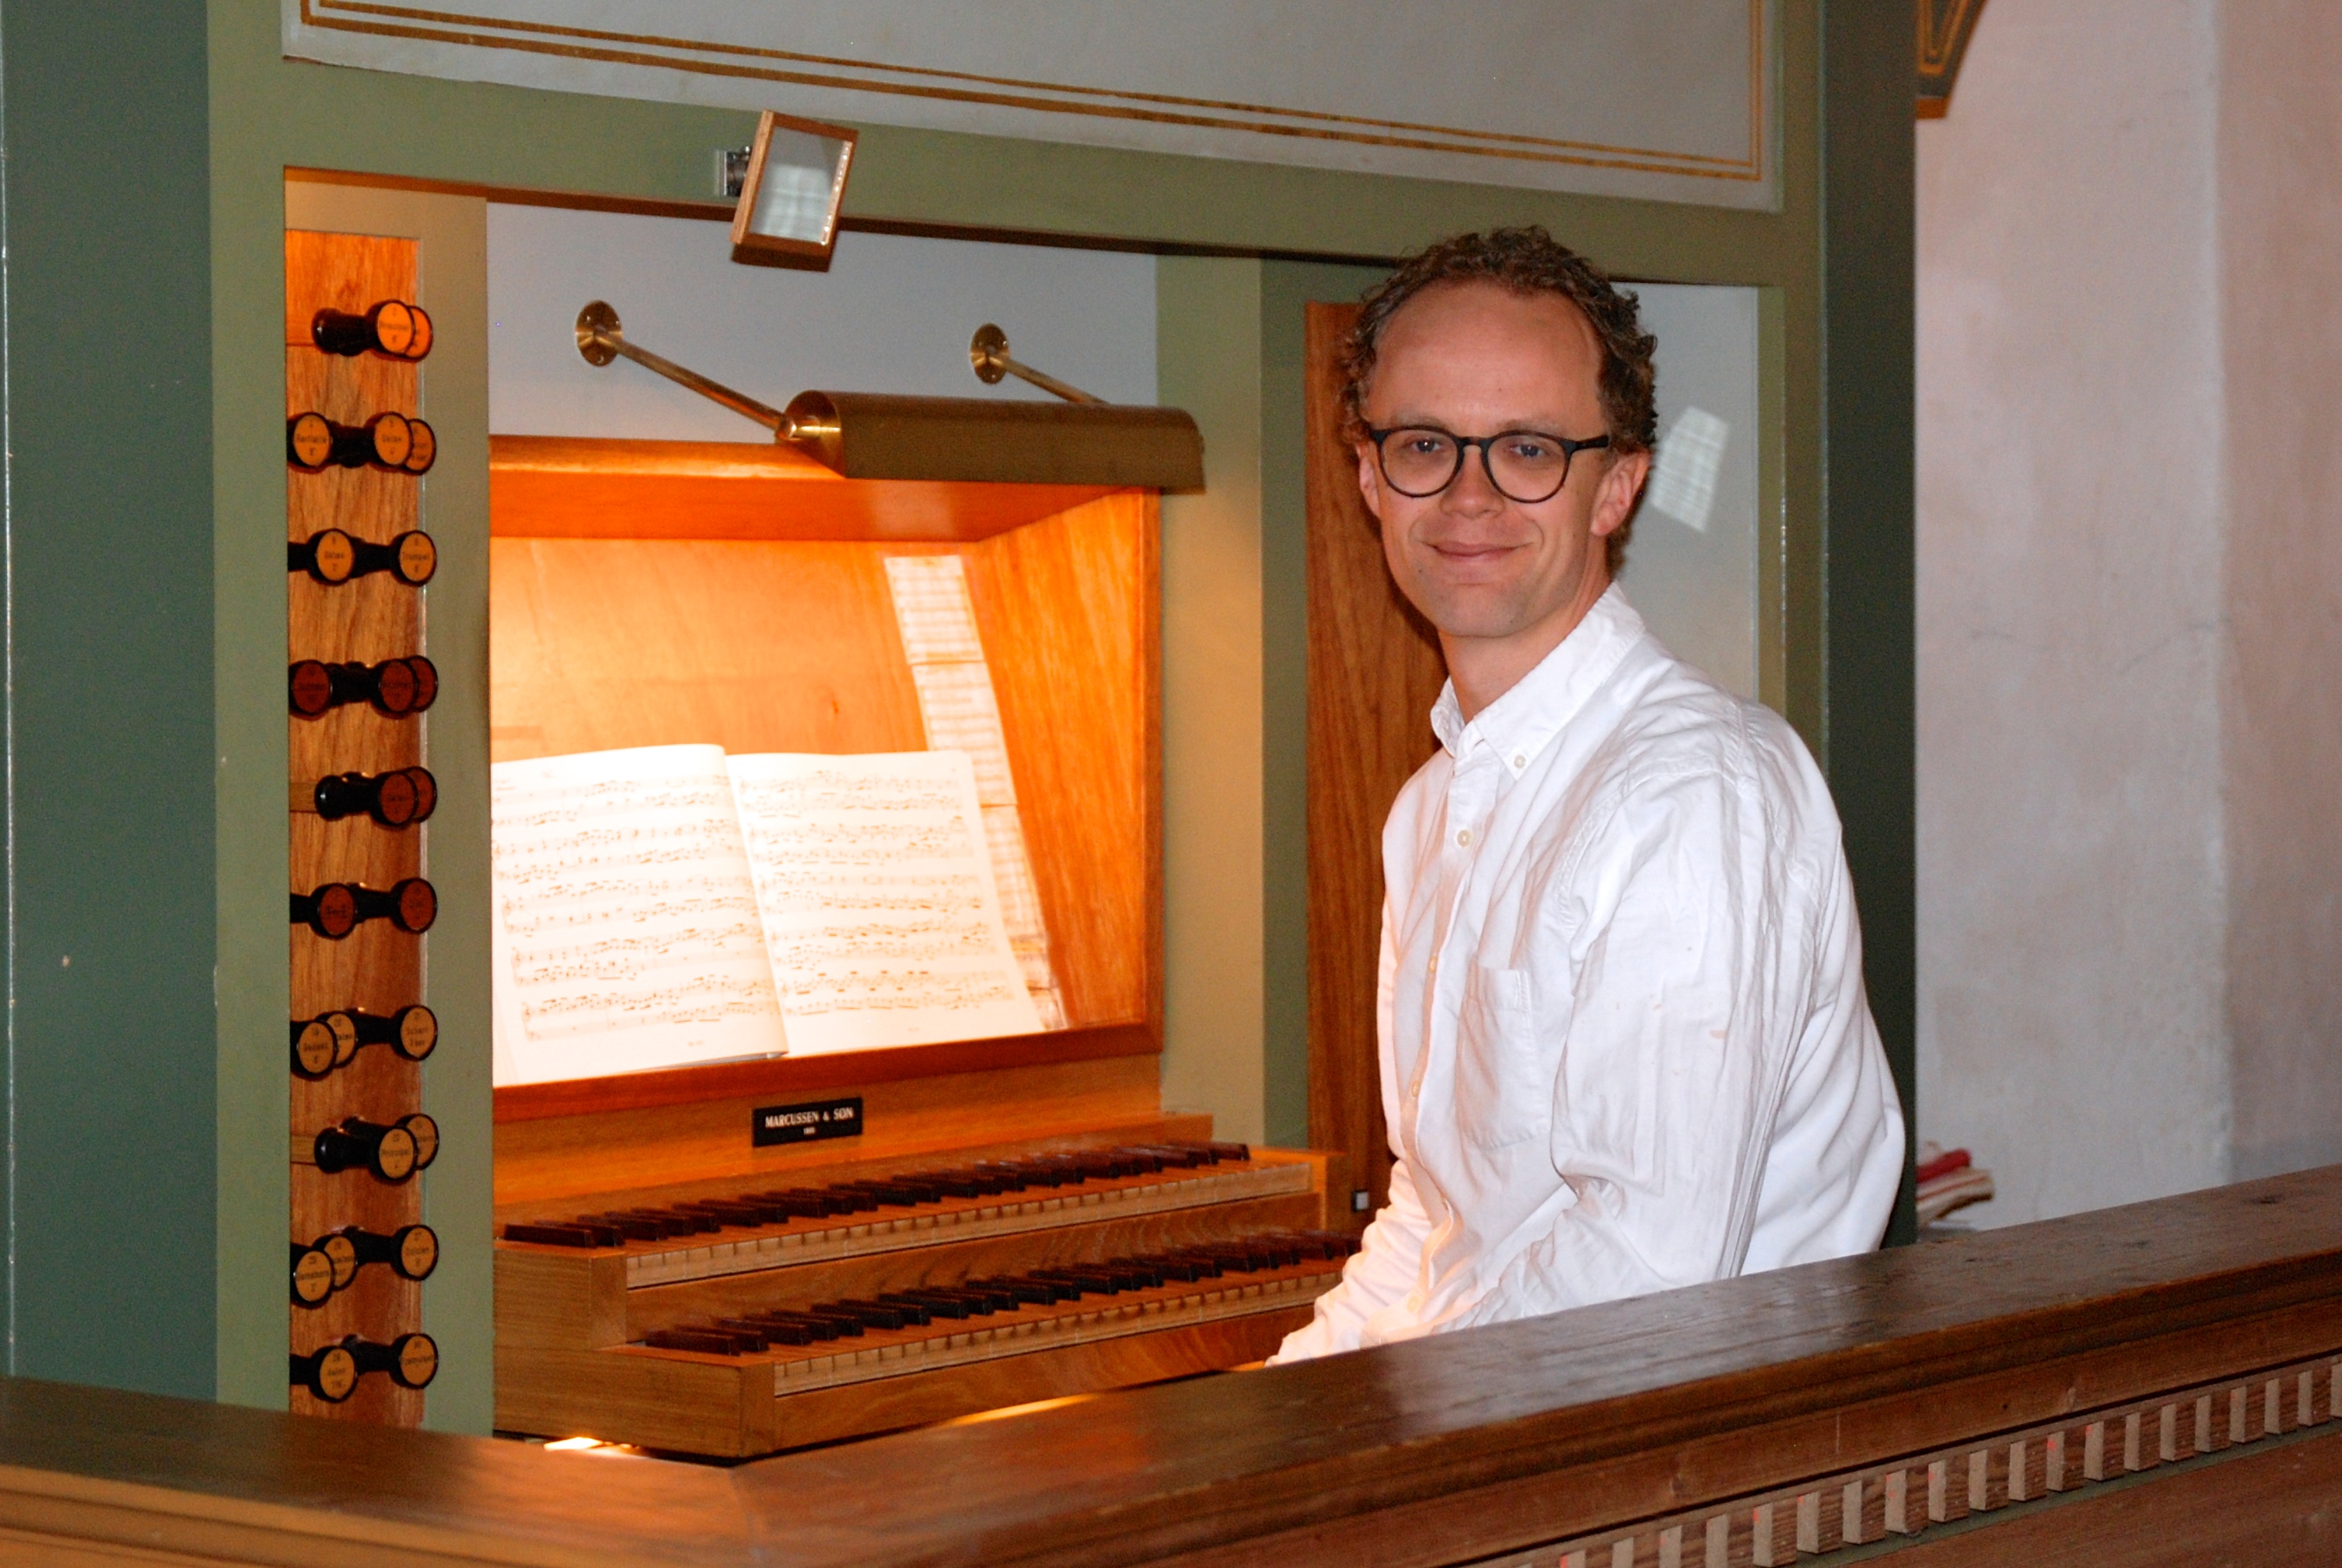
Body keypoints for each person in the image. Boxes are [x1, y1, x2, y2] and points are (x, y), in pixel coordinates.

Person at [1271, 228, 1905, 1362]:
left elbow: (1644, 1275)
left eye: (1525, 451)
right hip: (1491, 1427)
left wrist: (1360, 1450)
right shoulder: (1430, 808)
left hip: (1679, 1485)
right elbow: (1433, 1220)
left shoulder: (1693, 792)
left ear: (1615, 486)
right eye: (1423, 444)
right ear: (1367, 475)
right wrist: (1268, 1420)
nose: (1467, 497)